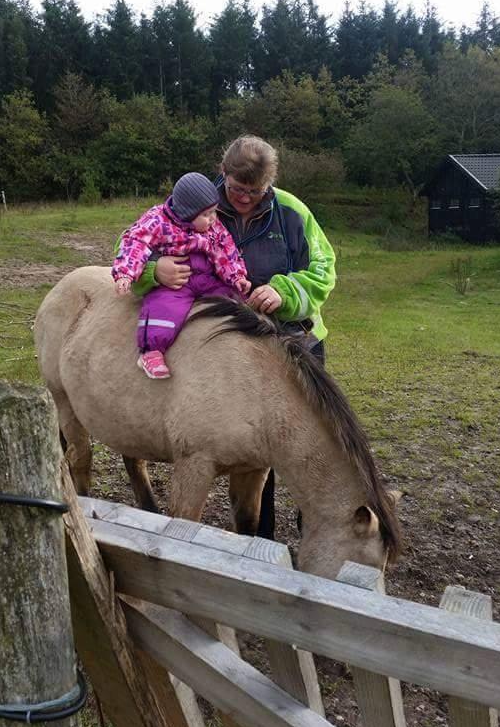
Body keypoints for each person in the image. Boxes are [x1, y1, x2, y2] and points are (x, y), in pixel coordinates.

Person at [133, 136, 336, 534]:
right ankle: (258, 536)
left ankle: (317, 525)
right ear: (222, 173)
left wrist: (286, 291)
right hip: (225, 350)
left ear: (270, 184)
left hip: (293, 339)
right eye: (236, 188)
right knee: (254, 447)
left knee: (306, 438)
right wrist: (154, 272)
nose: (244, 198)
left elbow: (324, 270)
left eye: (256, 191)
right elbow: (133, 247)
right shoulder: (192, 204)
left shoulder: (292, 212)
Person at [112, 172, 251, 379]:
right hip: (175, 281)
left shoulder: (213, 227)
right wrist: (126, 273)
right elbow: (135, 243)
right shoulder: (157, 221)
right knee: (164, 307)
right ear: (187, 212)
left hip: (205, 276)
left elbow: (225, 250)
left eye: (214, 212)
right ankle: (151, 352)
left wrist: (236, 277)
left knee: (231, 297)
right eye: (207, 214)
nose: (213, 218)